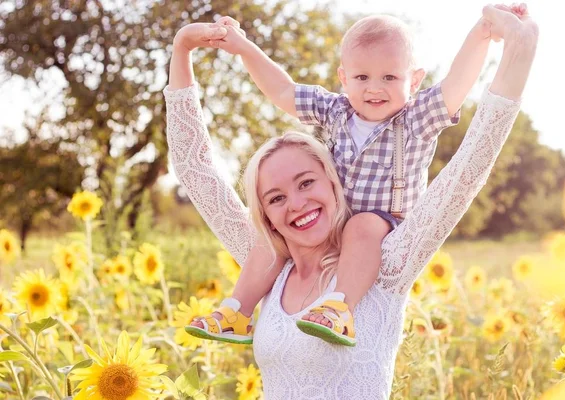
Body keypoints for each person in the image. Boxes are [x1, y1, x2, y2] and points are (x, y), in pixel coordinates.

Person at [165, 3, 537, 397]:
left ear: (330, 180)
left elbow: (465, 145)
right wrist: (188, 49)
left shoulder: (390, 264)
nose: (295, 204)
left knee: (362, 225)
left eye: (306, 183)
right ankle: (235, 313)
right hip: (333, 234)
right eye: (275, 198)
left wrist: (491, 38)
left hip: (382, 226)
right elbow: (201, 165)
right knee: (276, 244)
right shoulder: (271, 262)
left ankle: (340, 307)